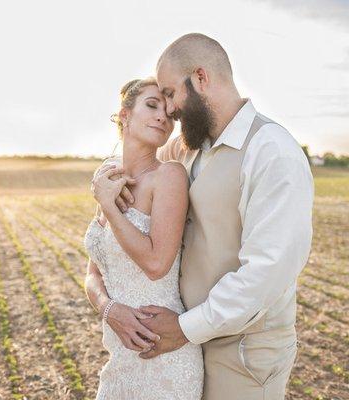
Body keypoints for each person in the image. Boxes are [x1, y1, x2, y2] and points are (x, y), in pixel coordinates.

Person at [95, 33, 314, 399]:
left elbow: (266, 273)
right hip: (187, 342)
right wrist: (102, 180)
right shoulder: (190, 146)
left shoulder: (273, 152)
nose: (168, 109)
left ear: (200, 79)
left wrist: (184, 327)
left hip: (243, 351)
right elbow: (133, 158)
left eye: (169, 93)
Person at [83, 77, 203, 400]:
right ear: (125, 115)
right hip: (120, 358)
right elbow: (93, 273)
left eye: (168, 112)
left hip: (164, 358)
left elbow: (156, 263)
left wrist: (109, 208)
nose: (163, 116)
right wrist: (109, 310)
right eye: (152, 105)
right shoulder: (108, 177)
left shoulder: (169, 176)